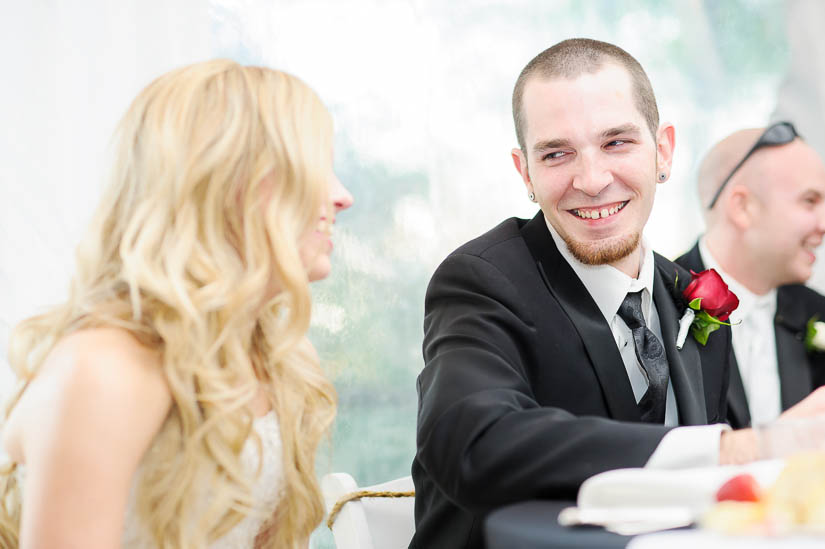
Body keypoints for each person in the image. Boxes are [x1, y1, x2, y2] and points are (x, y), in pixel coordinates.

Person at [410, 38, 825, 549]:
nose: (591, 179)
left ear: (663, 151)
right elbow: (473, 444)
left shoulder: (694, 296)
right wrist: (739, 448)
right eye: (557, 153)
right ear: (526, 174)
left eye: (616, 142)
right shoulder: (484, 280)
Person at [0, 59, 353, 548]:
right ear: (232, 182)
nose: (343, 196)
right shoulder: (102, 370)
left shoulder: (284, 362)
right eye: (318, 168)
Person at [676, 124, 825, 428]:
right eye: (810, 201)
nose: (823, 224)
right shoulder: (660, 308)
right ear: (742, 207)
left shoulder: (817, 312)